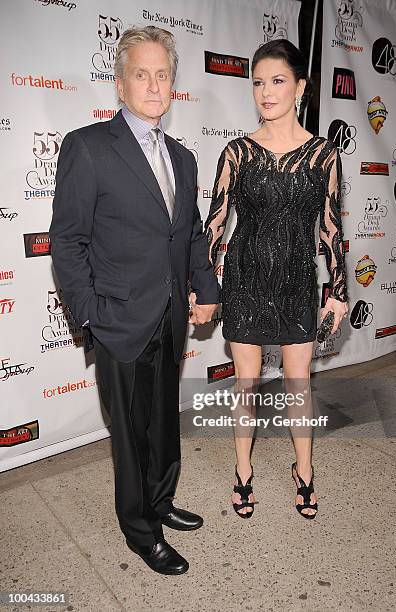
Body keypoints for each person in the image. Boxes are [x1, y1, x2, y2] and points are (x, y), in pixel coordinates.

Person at [49, 26, 219, 575]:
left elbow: (189, 232)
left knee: (163, 420)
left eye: (162, 75)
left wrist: (207, 289)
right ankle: (140, 530)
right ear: (121, 86)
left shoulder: (183, 157)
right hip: (118, 319)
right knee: (128, 429)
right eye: (141, 75)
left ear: (173, 86)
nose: (153, 84)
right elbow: (68, 241)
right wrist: (90, 314)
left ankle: (162, 500)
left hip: (170, 316)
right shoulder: (88, 147)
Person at [204, 39, 349, 520]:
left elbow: (331, 228)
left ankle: (304, 471)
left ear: (301, 87)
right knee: (245, 383)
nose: (266, 92)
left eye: (278, 81)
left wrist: (340, 292)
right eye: (259, 83)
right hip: (245, 282)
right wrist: (206, 286)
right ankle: (243, 471)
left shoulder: (324, 155)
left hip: (296, 283)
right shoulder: (237, 153)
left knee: (297, 385)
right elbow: (215, 223)